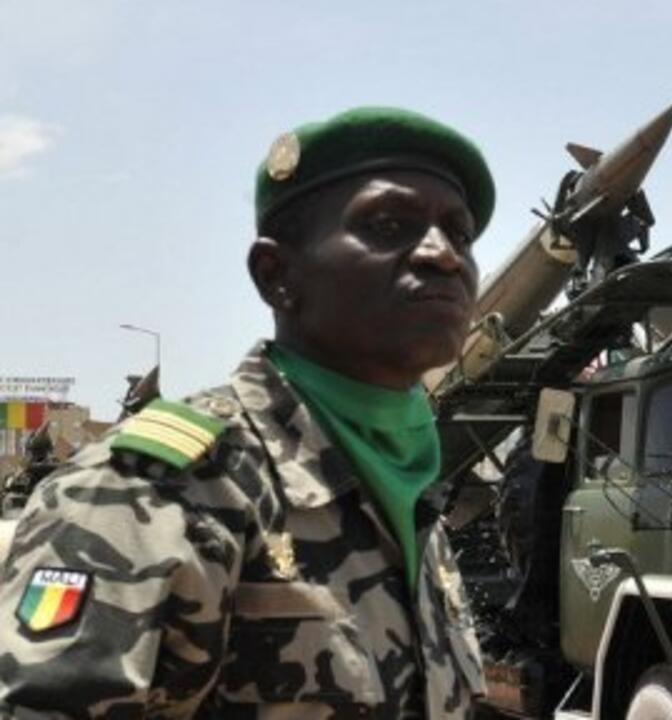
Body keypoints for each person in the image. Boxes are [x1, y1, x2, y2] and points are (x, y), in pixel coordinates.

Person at [0, 107, 495, 718]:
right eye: (389, 225)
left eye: (461, 235)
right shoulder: (158, 491)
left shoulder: (409, 494)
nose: (443, 255)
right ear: (275, 275)